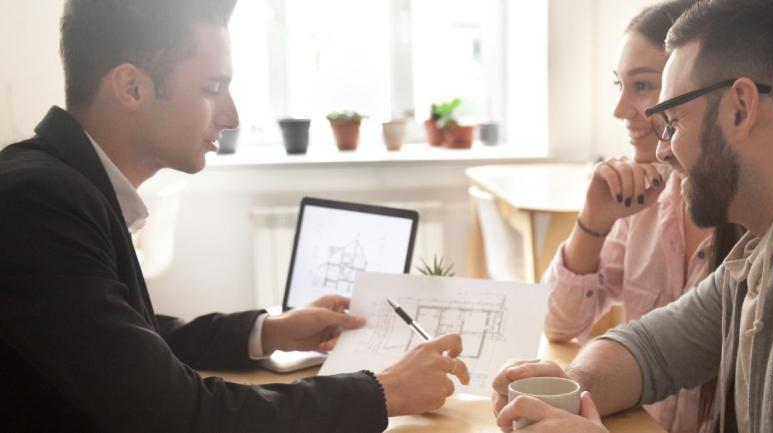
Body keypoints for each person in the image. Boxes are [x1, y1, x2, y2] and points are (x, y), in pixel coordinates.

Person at [0, 1, 469, 432]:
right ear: (132, 87)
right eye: (213, 88)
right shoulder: (40, 201)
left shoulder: (61, 184)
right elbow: (176, 413)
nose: (232, 116)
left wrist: (271, 331)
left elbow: (124, 345)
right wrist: (382, 391)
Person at [493, 0, 773, 432]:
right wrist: (565, 391)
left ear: (740, 108)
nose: (664, 149)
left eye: (672, 121)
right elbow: (648, 349)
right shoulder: (766, 248)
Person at [542, 1, 740, 431]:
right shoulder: (647, 197)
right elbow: (559, 324)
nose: (620, 110)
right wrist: (593, 219)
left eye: (644, 87)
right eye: (619, 85)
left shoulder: (754, 218)